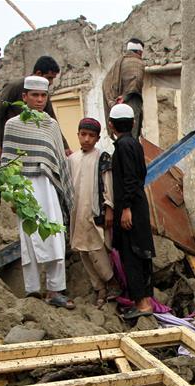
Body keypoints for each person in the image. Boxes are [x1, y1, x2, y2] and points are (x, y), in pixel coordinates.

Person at [1, 76, 75, 309]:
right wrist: (13, 194)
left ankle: (55, 290)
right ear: (25, 97)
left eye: (44, 96)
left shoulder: (51, 125)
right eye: (35, 95)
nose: (40, 100)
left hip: (49, 187)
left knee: (55, 238)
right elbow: (7, 162)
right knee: (29, 240)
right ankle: (32, 290)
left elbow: (59, 162)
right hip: (25, 188)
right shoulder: (12, 125)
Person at [67, 118, 122, 307]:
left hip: (94, 212)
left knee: (97, 249)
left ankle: (112, 282)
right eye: (83, 135)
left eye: (91, 136)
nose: (87, 139)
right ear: (78, 135)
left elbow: (108, 185)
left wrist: (109, 208)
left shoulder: (102, 157)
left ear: (97, 138)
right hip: (77, 213)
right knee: (83, 252)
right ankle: (100, 289)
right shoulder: (72, 159)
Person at [108, 103, 154, 319]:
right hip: (137, 205)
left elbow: (129, 179)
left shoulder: (124, 146)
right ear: (133, 123)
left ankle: (143, 304)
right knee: (139, 254)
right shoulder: (134, 144)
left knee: (133, 254)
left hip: (131, 208)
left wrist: (126, 208)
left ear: (111, 125)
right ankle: (144, 301)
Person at [0, 56, 69, 164]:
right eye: (49, 78)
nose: (51, 82)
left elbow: (52, 119)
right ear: (39, 73)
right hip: (8, 142)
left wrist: (64, 147)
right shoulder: (15, 87)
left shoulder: (43, 94)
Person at [102, 38, 145, 139]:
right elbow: (135, 83)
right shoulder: (137, 62)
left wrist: (114, 102)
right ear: (139, 51)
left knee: (122, 137)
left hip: (117, 106)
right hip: (130, 102)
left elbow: (106, 83)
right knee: (132, 136)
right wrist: (125, 97)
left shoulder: (119, 62)